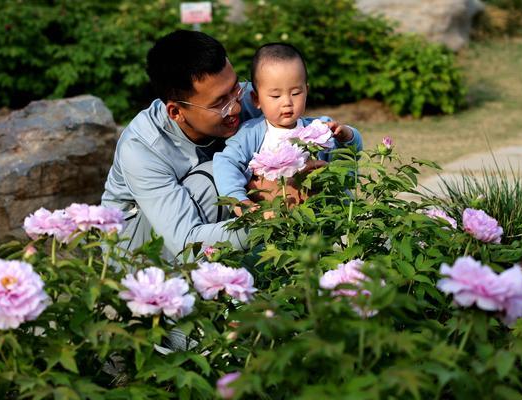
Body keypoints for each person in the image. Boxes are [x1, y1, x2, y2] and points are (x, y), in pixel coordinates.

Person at [101, 30, 263, 260]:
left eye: (235, 88)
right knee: (217, 173)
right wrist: (273, 218)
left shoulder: (247, 99)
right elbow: (186, 243)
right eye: (219, 103)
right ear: (176, 112)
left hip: (199, 229)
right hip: (135, 251)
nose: (236, 107)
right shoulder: (142, 148)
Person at [212, 43, 363, 211]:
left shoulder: (318, 128)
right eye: (276, 95)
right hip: (280, 215)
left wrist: (347, 136)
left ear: (306, 91)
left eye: (296, 93)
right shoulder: (250, 134)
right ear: (256, 99)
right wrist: (239, 200)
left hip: (327, 213)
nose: (287, 102)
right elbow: (226, 163)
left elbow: (352, 154)